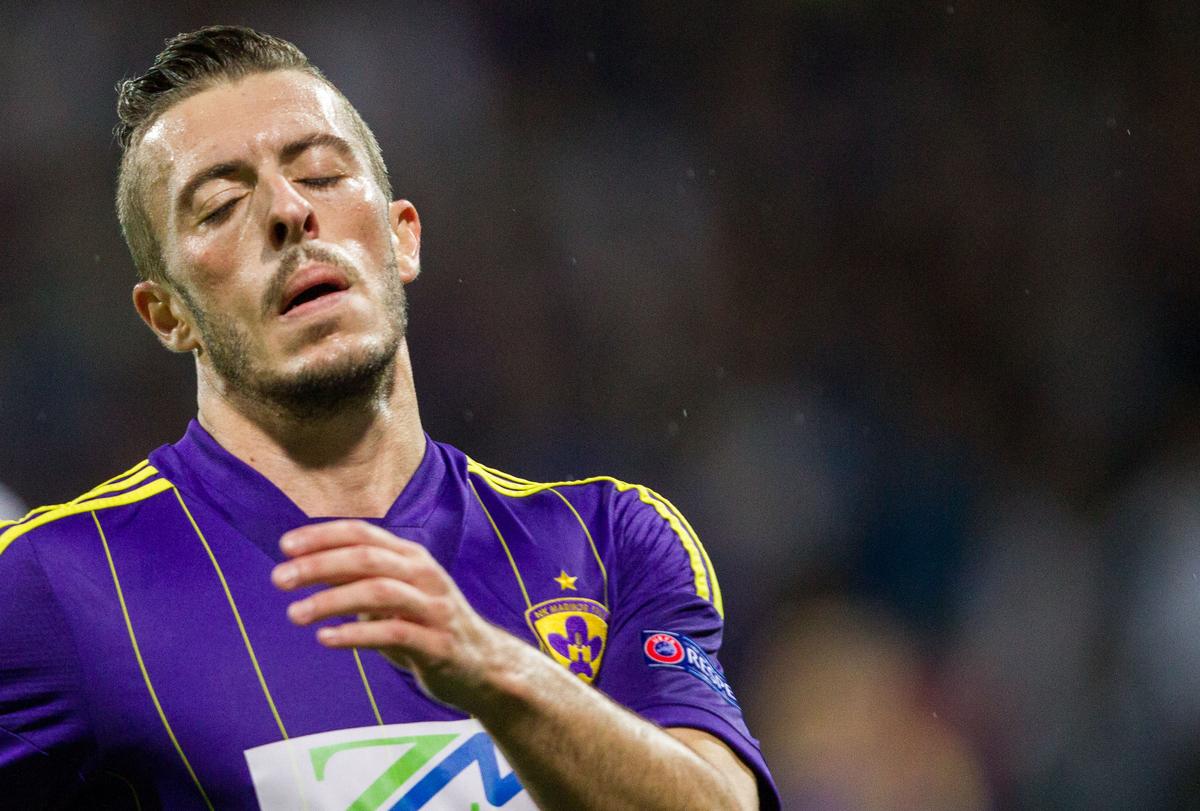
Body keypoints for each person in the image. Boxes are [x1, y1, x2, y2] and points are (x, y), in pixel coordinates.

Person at [0, 26, 778, 810]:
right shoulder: (56, 583)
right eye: (221, 206)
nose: (289, 210)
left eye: (322, 173)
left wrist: (492, 669)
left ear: (402, 238)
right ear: (167, 314)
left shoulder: (606, 541)